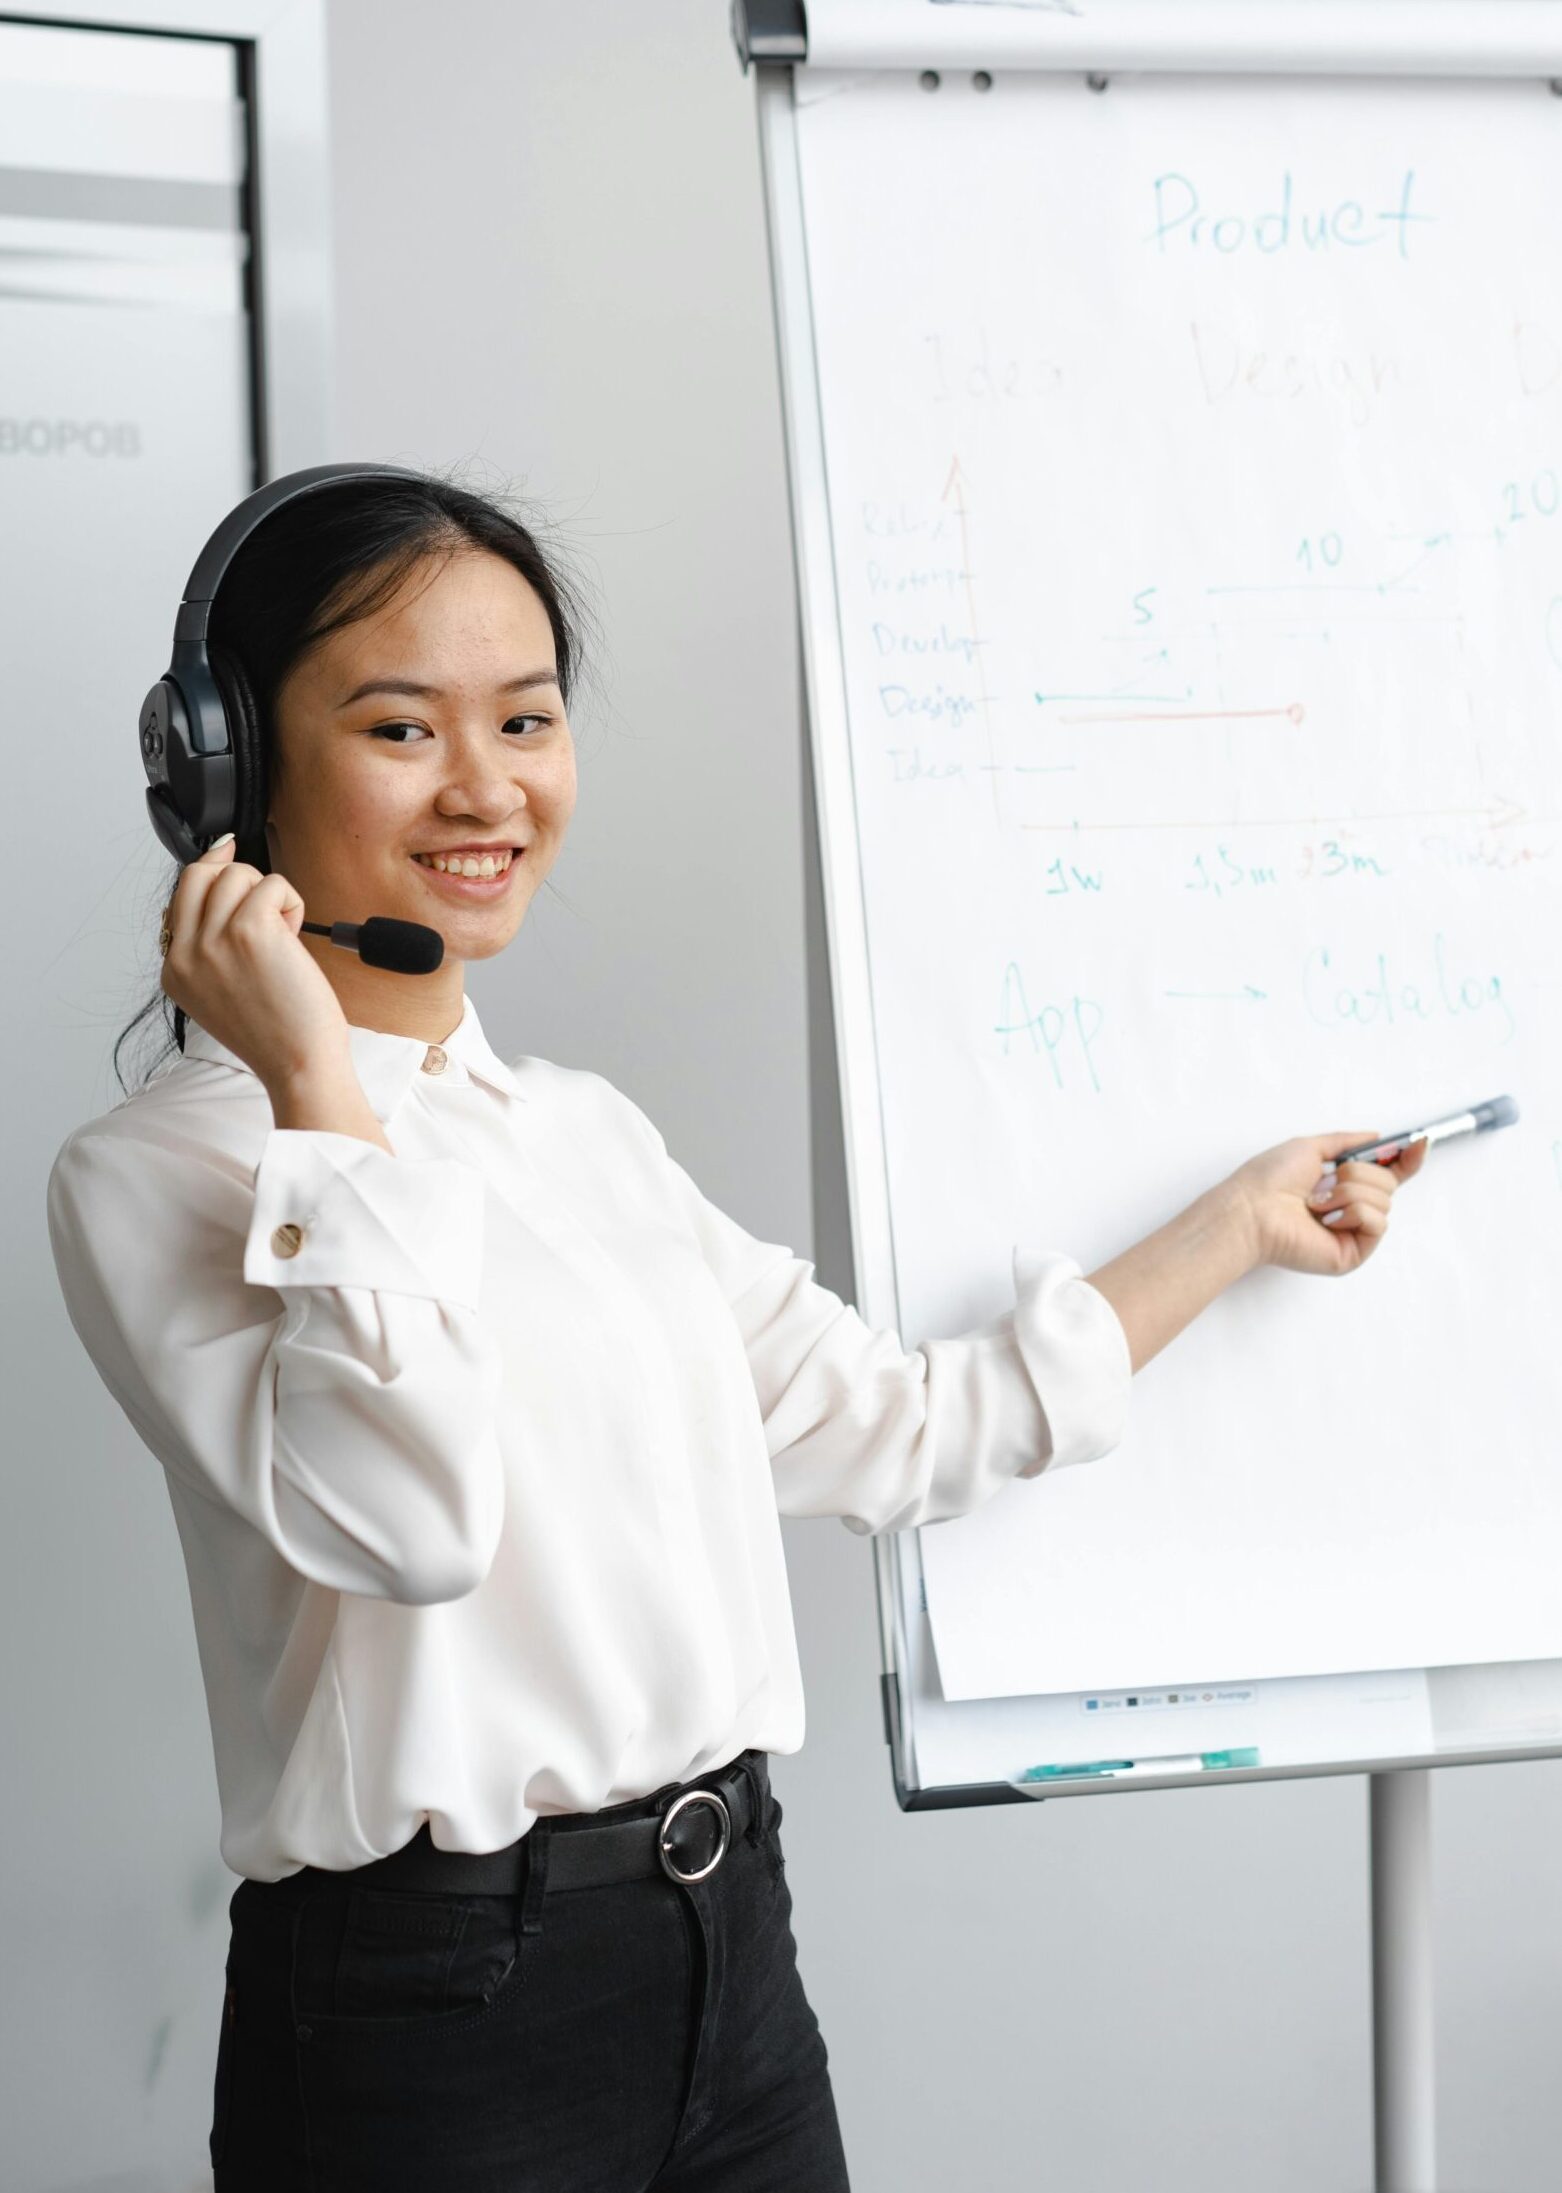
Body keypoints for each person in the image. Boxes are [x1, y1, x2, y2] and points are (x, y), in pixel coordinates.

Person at [45, 470, 1425, 2190]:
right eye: (402, 726)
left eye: (527, 719)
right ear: (227, 767)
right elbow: (404, 1523)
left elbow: (902, 1424)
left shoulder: (582, 1133)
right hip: (427, 2014)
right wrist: (320, 1084)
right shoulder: (157, 1171)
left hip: (730, 1954)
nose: (486, 786)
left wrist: (1234, 1223)